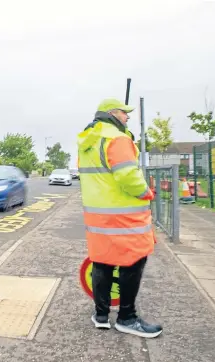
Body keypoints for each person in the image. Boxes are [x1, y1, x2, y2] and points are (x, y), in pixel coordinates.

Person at [77, 98, 163, 338]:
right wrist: (146, 192)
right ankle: (127, 317)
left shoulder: (88, 141)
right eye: (124, 114)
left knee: (102, 262)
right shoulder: (117, 138)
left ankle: (101, 315)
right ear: (112, 113)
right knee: (133, 262)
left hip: (98, 217)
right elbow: (127, 176)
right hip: (124, 217)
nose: (127, 118)